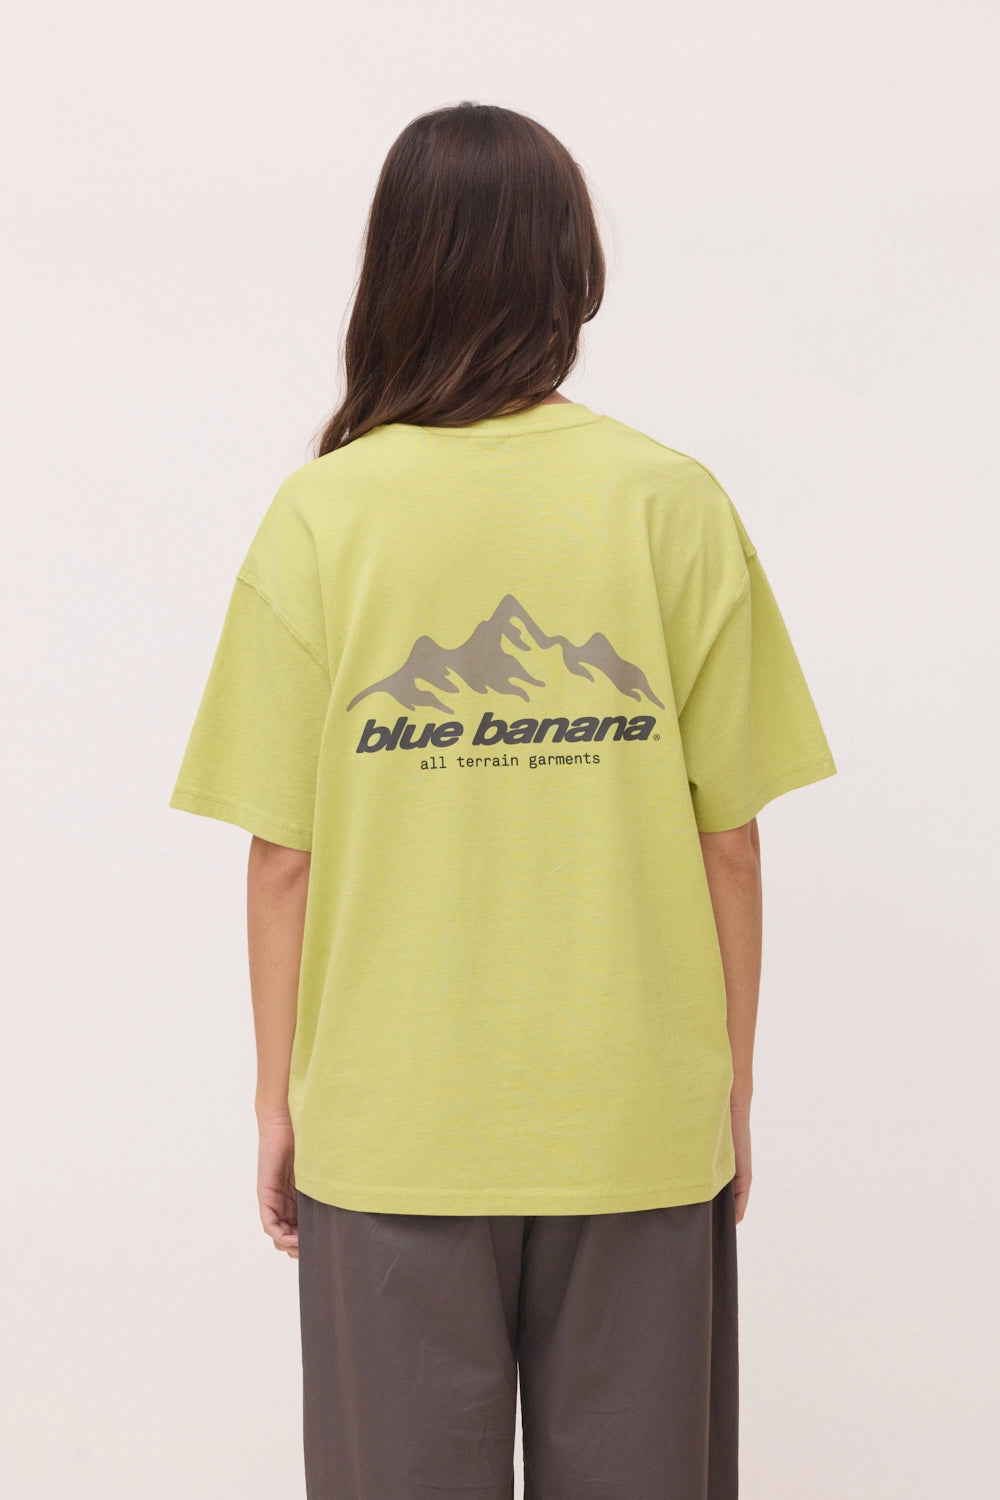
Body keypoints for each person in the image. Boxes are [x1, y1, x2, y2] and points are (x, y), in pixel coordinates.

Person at [168, 101, 837, 1500]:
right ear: (572, 270)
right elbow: (729, 841)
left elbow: (283, 857)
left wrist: (277, 1101)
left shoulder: (324, 516)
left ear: (393, 271)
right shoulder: (671, 502)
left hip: (390, 1130)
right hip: (636, 1124)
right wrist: (729, 1092)